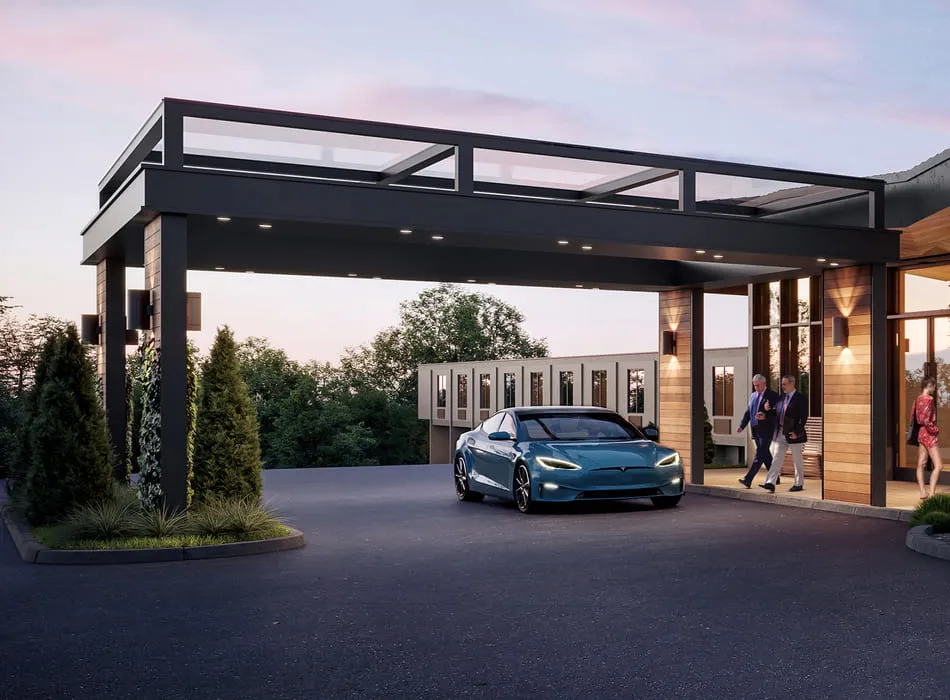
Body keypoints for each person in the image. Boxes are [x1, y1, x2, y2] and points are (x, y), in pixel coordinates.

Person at [761, 375, 808, 493]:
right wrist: (767, 412)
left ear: (792, 384)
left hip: (794, 433)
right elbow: (777, 413)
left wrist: (797, 432)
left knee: (797, 460)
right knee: (776, 458)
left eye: (785, 384)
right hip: (781, 432)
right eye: (782, 384)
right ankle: (770, 482)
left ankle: (798, 484)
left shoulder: (800, 399)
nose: (782, 386)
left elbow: (803, 418)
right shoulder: (781, 398)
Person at [736, 374, 781, 488]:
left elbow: (778, 414)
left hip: (767, 430)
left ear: (764, 384)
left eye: (758, 385)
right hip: (755, 430)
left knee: (759, 455)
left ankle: (748, 479)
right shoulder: (753, 396)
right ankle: (775, 478)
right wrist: (742, 425)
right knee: (765, 454)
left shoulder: (773, 395)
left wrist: (766, 415)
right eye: (754, 385)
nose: (756, 388)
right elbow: (748, 412)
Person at [913, 378, 944, 499]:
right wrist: (935, 430)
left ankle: (922, 491)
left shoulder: (918, 399)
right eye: (934, 387)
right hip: (929, 433)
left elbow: (917, 418)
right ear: (929, 386)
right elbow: (926, 419)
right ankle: (931, 493)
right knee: (939, 465)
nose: (934, 389)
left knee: (921, 463)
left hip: (921, 432)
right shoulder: (929, 399)